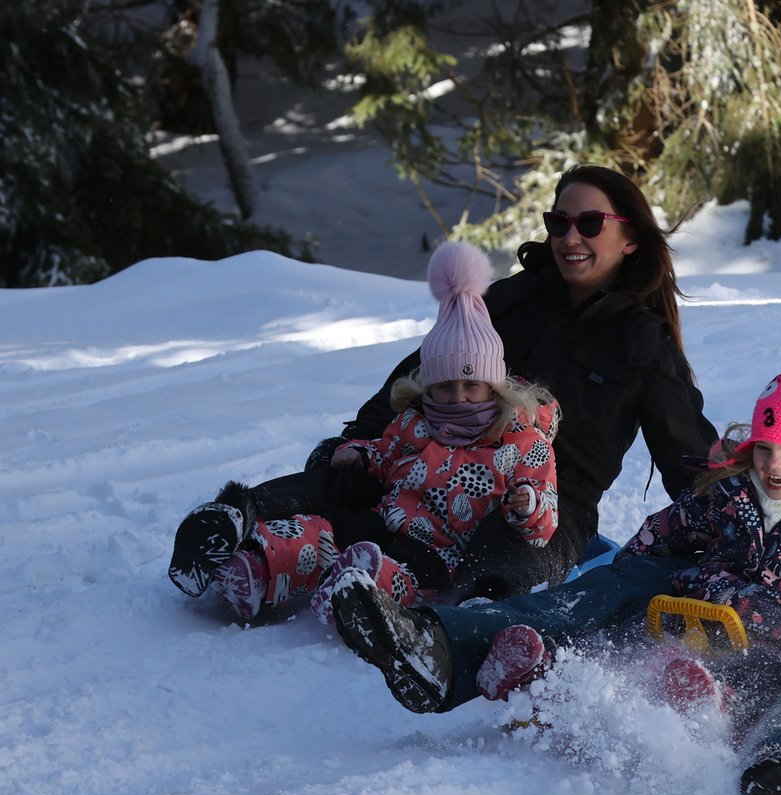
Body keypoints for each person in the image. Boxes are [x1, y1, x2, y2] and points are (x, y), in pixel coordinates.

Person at [328, 373, 781, 795]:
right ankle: (450, 648)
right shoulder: (731, 494)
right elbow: (667, 530)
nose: (775, 466)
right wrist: (625, 581)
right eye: (766, 450)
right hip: (699, 622)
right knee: (634, 577)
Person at [168, 164, 717, 604]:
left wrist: (733, 525)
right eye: (558, 222)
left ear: (630, 239)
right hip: (437, 463)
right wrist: (359, 440)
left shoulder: (644, 347)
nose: (570, 237)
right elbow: (422, 372)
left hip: (543, 501)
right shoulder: (513, 299)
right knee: (350, 473)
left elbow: (690, 459)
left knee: (507, 555)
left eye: (590, 224)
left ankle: (447, 627)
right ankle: (234, 523)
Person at [204, 241, 561, 623]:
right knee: (325, 531)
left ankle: (359, 595)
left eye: (471, 386)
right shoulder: (415, 422)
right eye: (445, 386)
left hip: (441, 554)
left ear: (494, 387)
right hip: (385, 521)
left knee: (396, 573)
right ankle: (259, 566)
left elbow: (545, 520)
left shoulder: (521, 439)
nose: (458, 398)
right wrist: (360, 453)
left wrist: (527, 504)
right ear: (428, 386)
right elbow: (386, 455)